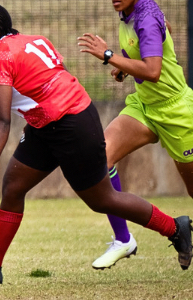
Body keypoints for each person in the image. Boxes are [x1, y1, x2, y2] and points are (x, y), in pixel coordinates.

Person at [0, 3, 192, 287]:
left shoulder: (0, 58)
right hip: (49, 122)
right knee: (14, 186)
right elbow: (58, 73)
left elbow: (2, 120)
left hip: (71, 123)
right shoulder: (31, 40)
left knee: (102, 200)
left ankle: (175, 228)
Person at [77, 0, 193, 270]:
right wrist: (126, 64)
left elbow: (153, 71)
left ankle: (182, 230)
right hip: (144, 107)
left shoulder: (146, 16)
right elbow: (165, 33)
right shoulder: (128, 11)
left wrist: (109, 56)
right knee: (100, 159)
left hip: (177, 113)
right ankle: (123, 239)